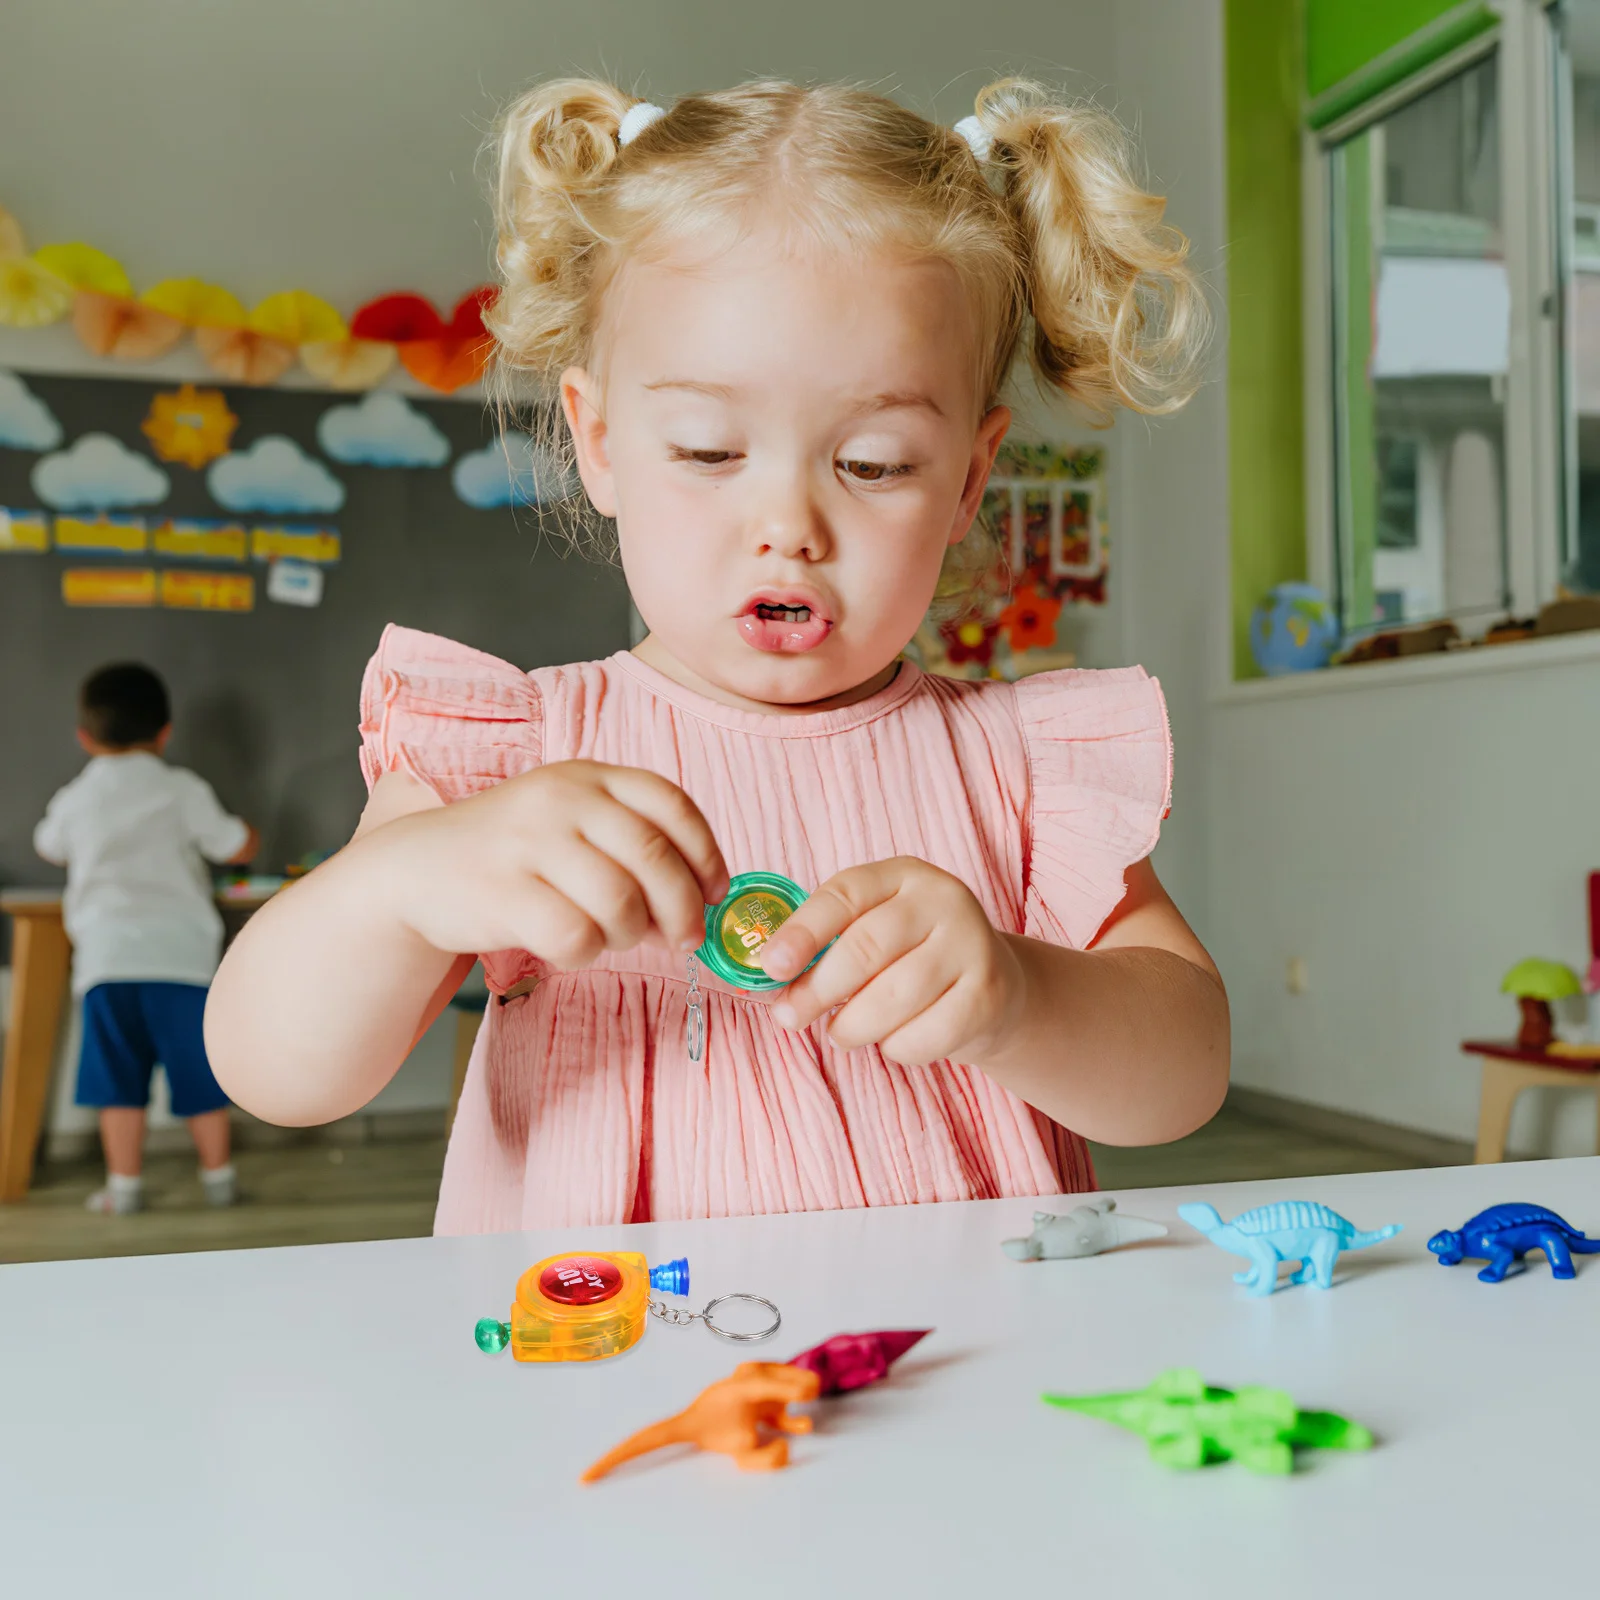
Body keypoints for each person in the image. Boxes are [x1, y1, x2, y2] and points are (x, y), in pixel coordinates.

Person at [207, 76, 1229, 1232]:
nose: (787, 523)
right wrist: (401, 886)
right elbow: (273, 1072)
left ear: (967, 483)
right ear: (596, 442)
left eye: (877, 461)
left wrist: (1020, 997)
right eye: (705, 448)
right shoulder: (513, 761)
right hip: (602, 1356)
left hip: (965, 1366)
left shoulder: (1018, 764)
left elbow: (1185, 1072)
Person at [35, 663, 258, 1214]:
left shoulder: (76, 796)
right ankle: (219, 1177)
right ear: (165, 731)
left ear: (84, 737)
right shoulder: (182, 789)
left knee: (117, 1080)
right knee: (199, 1072)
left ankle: (125, 1187)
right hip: (182, 959)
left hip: (108, 962)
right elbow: (234, 846)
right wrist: (248, 835)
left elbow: (48, 845)